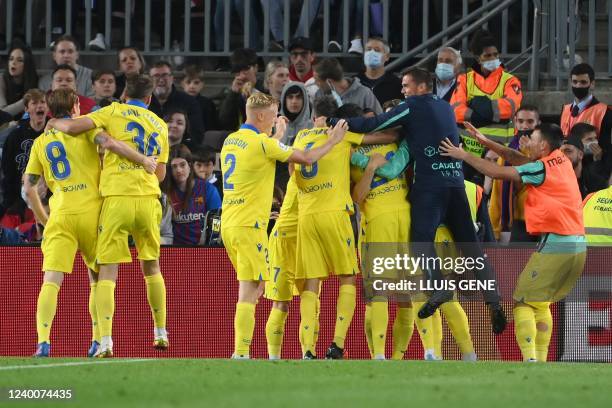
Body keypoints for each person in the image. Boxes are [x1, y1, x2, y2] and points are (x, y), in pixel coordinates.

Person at [327, 67, 506, 332]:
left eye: (406, 85)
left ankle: (438, 288)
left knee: (420, 242)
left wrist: (334, 123)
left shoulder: (412, 106)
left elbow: (374, 124)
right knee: (470, 247)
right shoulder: (446, 108)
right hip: (455, 184)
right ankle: (493, 299)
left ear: (422, 87)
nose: (403, 90)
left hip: (430, 188)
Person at [46, 74, 170, 358]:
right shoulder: (160, 125)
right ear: (149, 99)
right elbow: (160, 173)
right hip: (149, 200)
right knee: (152, 267)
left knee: (107, 274)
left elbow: (75, 127)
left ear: (124, 94)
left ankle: (105, 341)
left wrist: (54, 122)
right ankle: (161, 331)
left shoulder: (113, 110)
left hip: (117, 199)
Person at [440, 122, 586, 362]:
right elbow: (517, 158)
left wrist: (463, 154)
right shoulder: (560, 161)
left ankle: (530, 359)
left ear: (543, 145)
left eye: (532, 138)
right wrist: (486, 142)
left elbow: (498, 173)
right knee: (541, 303)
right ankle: (540, 361)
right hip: (576, 246)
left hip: (557, 243)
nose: (526, 141)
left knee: (522, 302)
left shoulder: (543, 168)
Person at [220, 92, 349, 359]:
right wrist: (334, 140)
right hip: (249, 224)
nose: (276, 119)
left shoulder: (232, 140)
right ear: (260, 116)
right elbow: (307, 158)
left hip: (229, 222)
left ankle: (246, 351)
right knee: (250, 289)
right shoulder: (262, 143)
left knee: (255, 289)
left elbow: (262, 150)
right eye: (273, 115)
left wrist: (277, 135)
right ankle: (241, 352)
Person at [294, 97, 394, 360]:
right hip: (334, 213)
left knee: (311, 282)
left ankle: (307, 349)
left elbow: (294, 167)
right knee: (348, 276)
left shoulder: (301, 137)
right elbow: (380, 138)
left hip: (306, 215)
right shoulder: (344, 136)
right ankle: (337, 344)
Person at [450, 29, 522, 180]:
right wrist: (492, 115)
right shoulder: (464, 79)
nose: (493, 58)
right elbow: (455, 111)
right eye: (488, 55)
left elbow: (509, 108)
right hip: (470, 154)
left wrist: (474, 107)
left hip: (501, 154)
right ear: (478, 58)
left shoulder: (510, 80)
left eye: (495, 55)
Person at [489, 105, 541, 242]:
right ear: (515, 122)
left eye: (530, 121)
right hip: (515, 223)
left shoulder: (546, 152)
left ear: (538, 124)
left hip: (540, 221)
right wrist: (494, 228)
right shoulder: (505, 154)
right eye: (521, 121)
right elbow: (497, 192)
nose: (525, 126)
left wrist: (532, 153)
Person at [163, 144, 221, 245]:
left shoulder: (208, 189)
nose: (179, 170)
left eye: (182, 165)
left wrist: (212, 242)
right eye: (174, 166)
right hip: (173, 250)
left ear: (190, 166)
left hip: (203, 249)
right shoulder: (165, 193)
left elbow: (217, 220)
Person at [1, 89, 47, 215]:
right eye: (34, 103)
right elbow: (8, 170)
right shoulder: (15, 136)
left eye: (43, 102)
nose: (40, 106)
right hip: (19, 194)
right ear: (26, 109)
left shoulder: (55, 131)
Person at [559, 63, 612, 164]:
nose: (578, 86)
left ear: (592, 84)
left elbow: (607, 150)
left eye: (583, 82)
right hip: (566, 168)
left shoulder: (605, 112)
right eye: (575, 82)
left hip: (591, 168)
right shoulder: (565, 109)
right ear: (570, 82)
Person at [149, 61, 205, 146]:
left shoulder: (189, 102)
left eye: (165, 75)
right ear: (150, 79)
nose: (161, 79)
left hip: (180, 151)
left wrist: (184, 148)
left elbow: (196, 134)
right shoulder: (142, 102)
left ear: (172, 78)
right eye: (156, 76)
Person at [313, 58, 382, 114]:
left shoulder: (364, 93)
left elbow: (379, 121)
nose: (315, 83)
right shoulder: (319, 95)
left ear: (329, 82)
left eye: (317, 80)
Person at [218, 48, 263, 131]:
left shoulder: (265, 89)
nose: (242, 76)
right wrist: (233, 94)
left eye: (245, 70)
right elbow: (224, 122)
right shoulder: (228, 93)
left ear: (256, 68)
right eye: (237, 71)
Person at [560, 131, 609, 198]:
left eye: (568, 151)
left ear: (580, 155)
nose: (562, 155)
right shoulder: (554, 180)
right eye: (559, 152)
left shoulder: (596, 182)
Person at [355, 37, 402, 106]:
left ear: (387, 57)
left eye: (377, 50)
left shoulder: (396, 84)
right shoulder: (354, 82)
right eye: (368, 49)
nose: (371, 52)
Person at [0, 44, 38, 118]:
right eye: (11, 59)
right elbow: (2, 113)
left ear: (27, 64)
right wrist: (27, 100)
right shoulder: (1, 79)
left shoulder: (35, 81)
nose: (13, 63)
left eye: (19, 60)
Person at [181, 65, 219, 132]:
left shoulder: (207, 104)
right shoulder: (176, 102)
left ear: (202, 85)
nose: (192, 86)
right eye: (188, 82)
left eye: (196, 83)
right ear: (182, 84)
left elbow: (212, 127)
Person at [287, 37, 318, 102]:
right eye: (295, 54)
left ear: (312, 56)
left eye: (304, 54)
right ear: (290, 58)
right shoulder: (284, 81)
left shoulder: (320, 81)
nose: (299, 59)